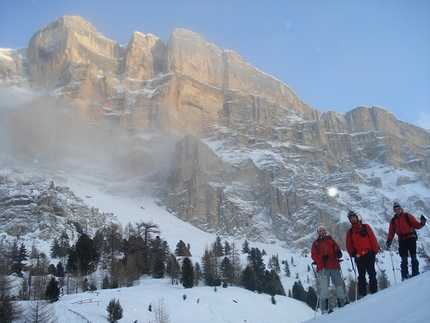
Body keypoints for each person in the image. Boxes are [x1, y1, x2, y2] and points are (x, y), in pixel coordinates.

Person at [385, 201, 426, 280]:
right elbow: (391, 232)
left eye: (398, 208)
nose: (397, 210)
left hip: (410, 238)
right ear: (394, 210)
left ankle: (415, 273)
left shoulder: (407, 216)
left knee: (413, 256)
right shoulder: (393, 221)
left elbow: (415, 224)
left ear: (401, 209)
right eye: (395, 209)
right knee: (404, 259)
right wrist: (389, 240)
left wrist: (422, 223)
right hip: (402, 240)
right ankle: (404, 275)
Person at [311, 225, 347, 314]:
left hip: (334, 266)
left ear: (326, 230)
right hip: (323, 268)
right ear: (318, 232)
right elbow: (313, 256)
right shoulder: (315, 243)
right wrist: (322, 258)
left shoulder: (332, 241)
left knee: (339, 286)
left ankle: (342, 304)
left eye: (324, 230)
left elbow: (339, 253)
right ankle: (324, 309)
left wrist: (338, 253)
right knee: (324, 289)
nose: (323, 232)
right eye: (321, 230)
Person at [345, 211, 379, 298]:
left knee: (372, 273)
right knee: (361, 276)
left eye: (353, 217)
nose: (353, 218)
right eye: (351, 218)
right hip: (359, 256)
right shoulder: (350, 232)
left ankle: (374, 291)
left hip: (368, 253)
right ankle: (363, 295)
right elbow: (349, 244)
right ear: (350, 220)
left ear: (357, 217)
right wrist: (352, 253)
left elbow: (372, 238)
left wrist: (375, 250)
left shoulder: (365, 227)